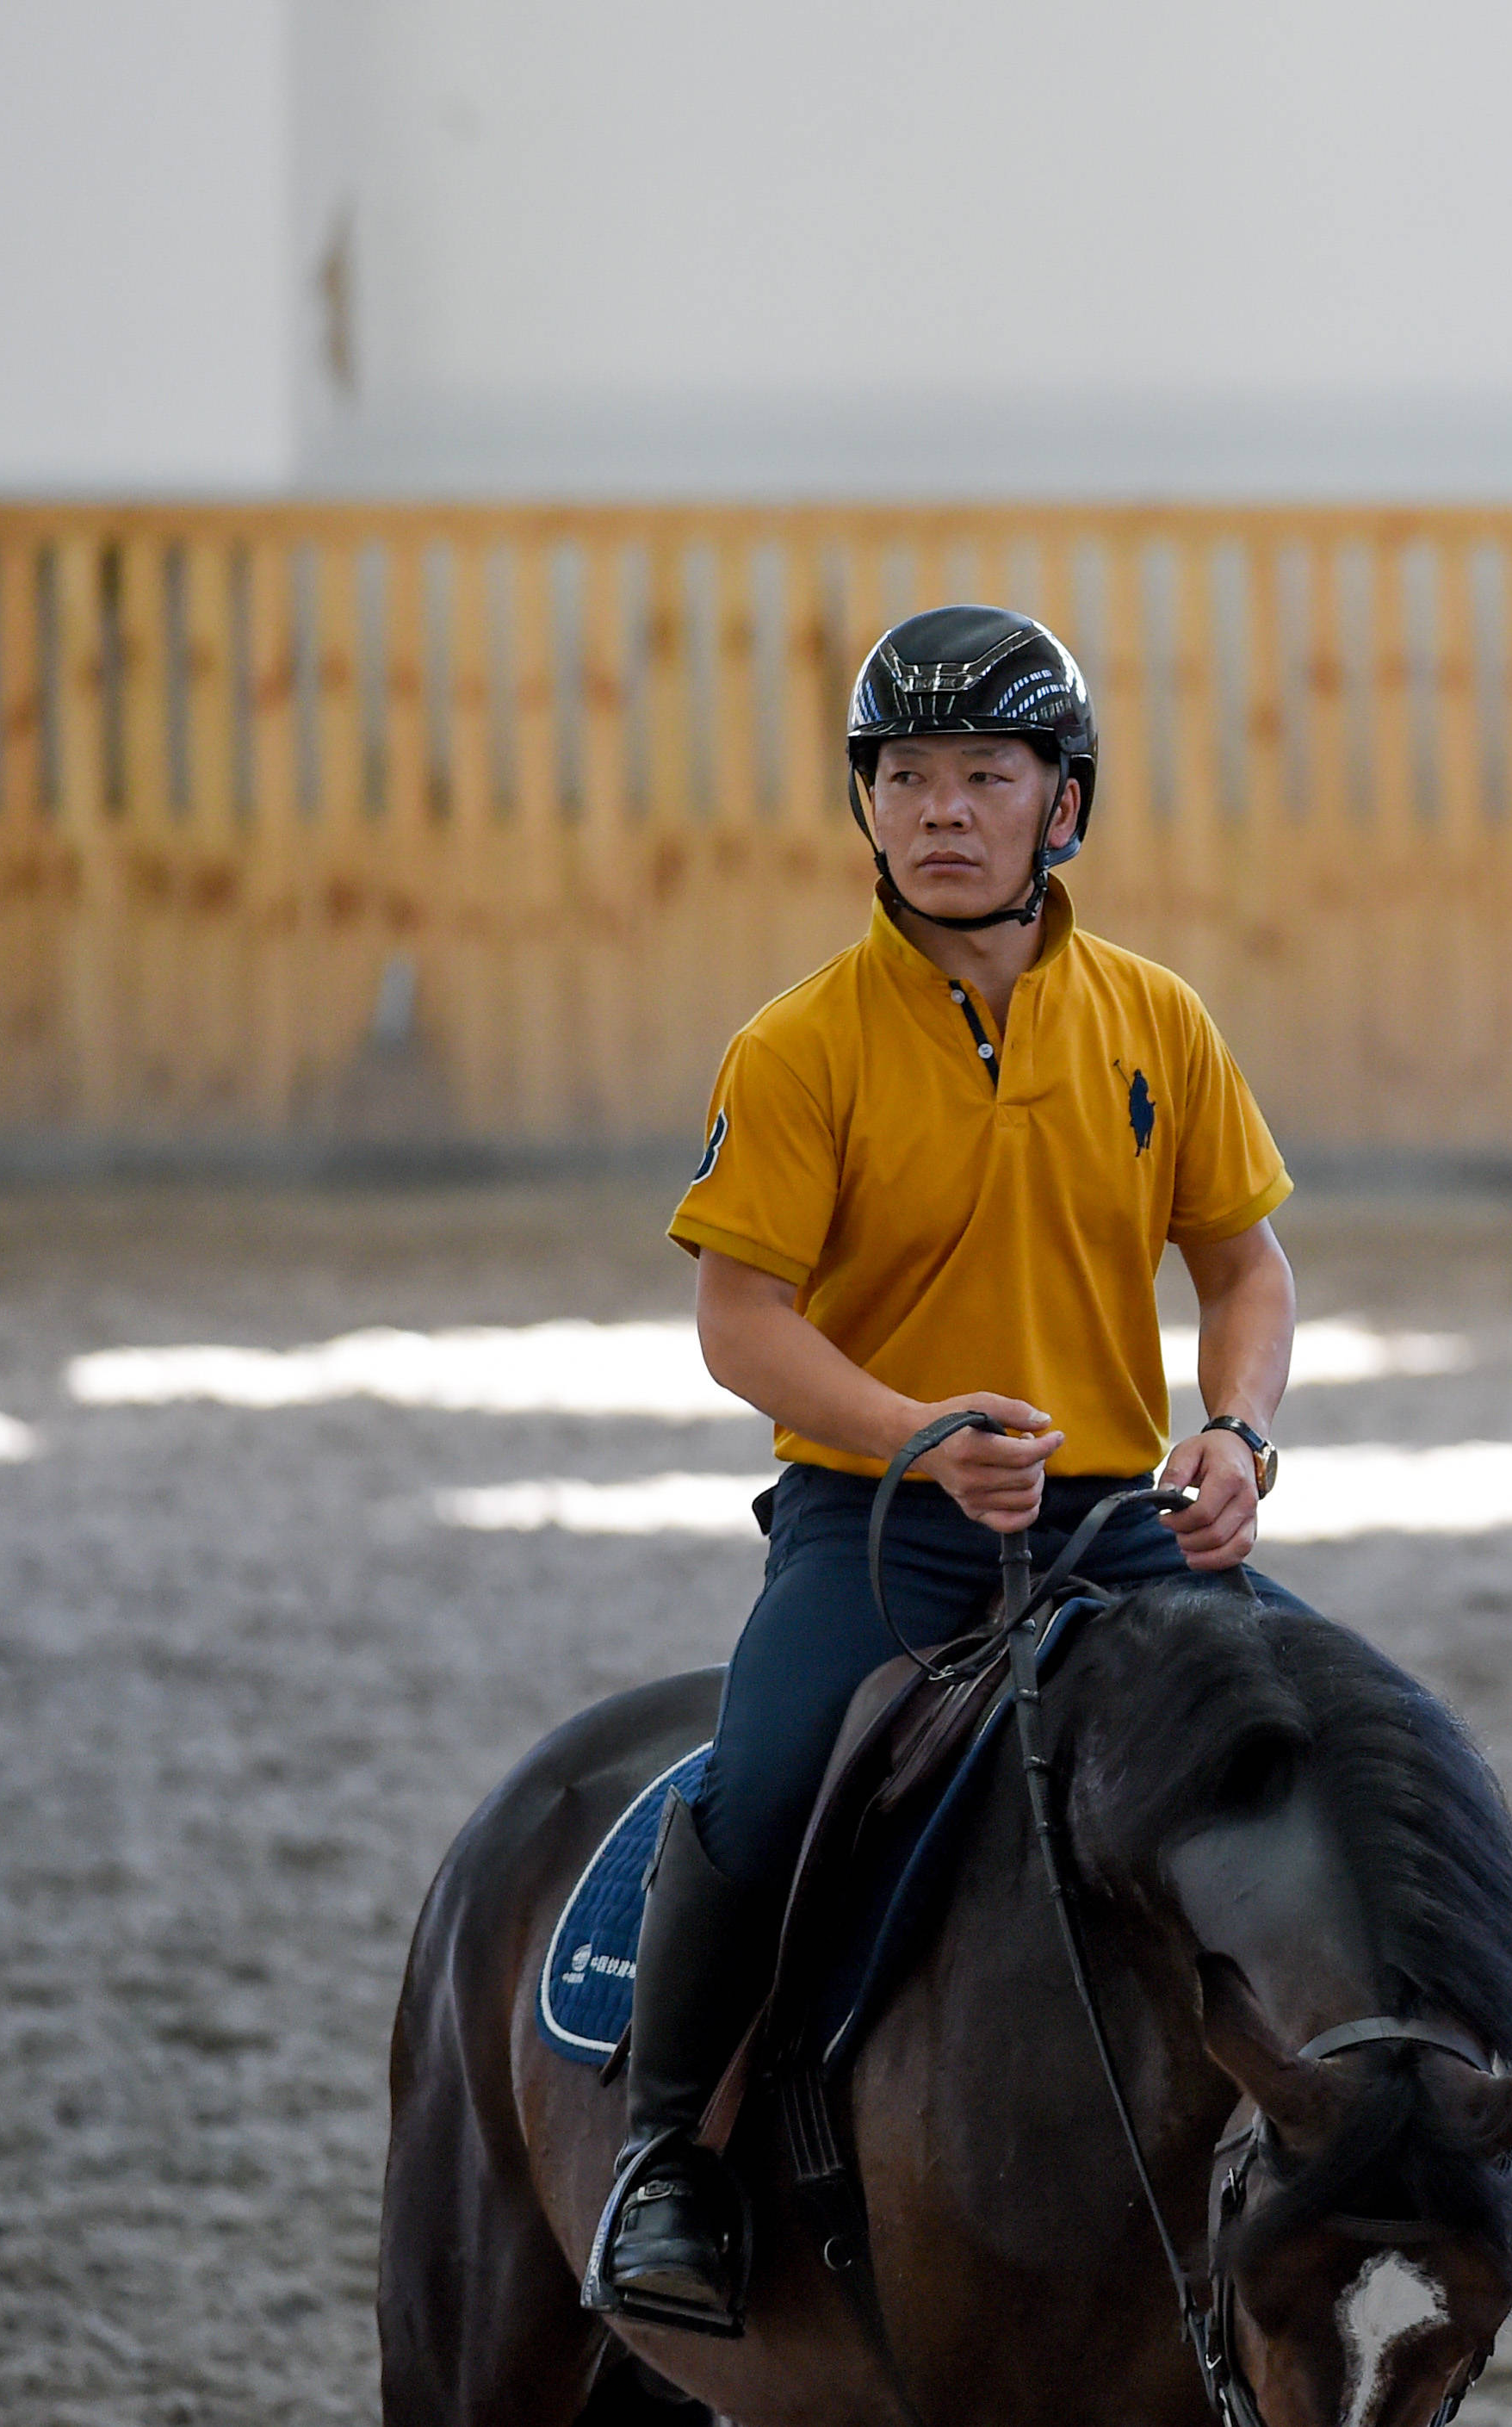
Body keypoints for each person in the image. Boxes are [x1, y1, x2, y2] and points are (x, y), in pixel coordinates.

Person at [585, 605, 1301, 2335]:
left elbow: (1248, 1269)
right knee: (759, 1785)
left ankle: (1353, 2120)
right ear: (869, 804)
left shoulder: (1158, 1021)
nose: (942, 809)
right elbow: (737, 1320)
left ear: (1065, 802)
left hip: (1119, 1522)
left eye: (985, 772)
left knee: (1313, 1756)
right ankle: (667, 2151)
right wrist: (913, 1430)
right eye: (905, 776)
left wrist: (1238, 1431)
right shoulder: (797, 1047)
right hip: (882, 1518)